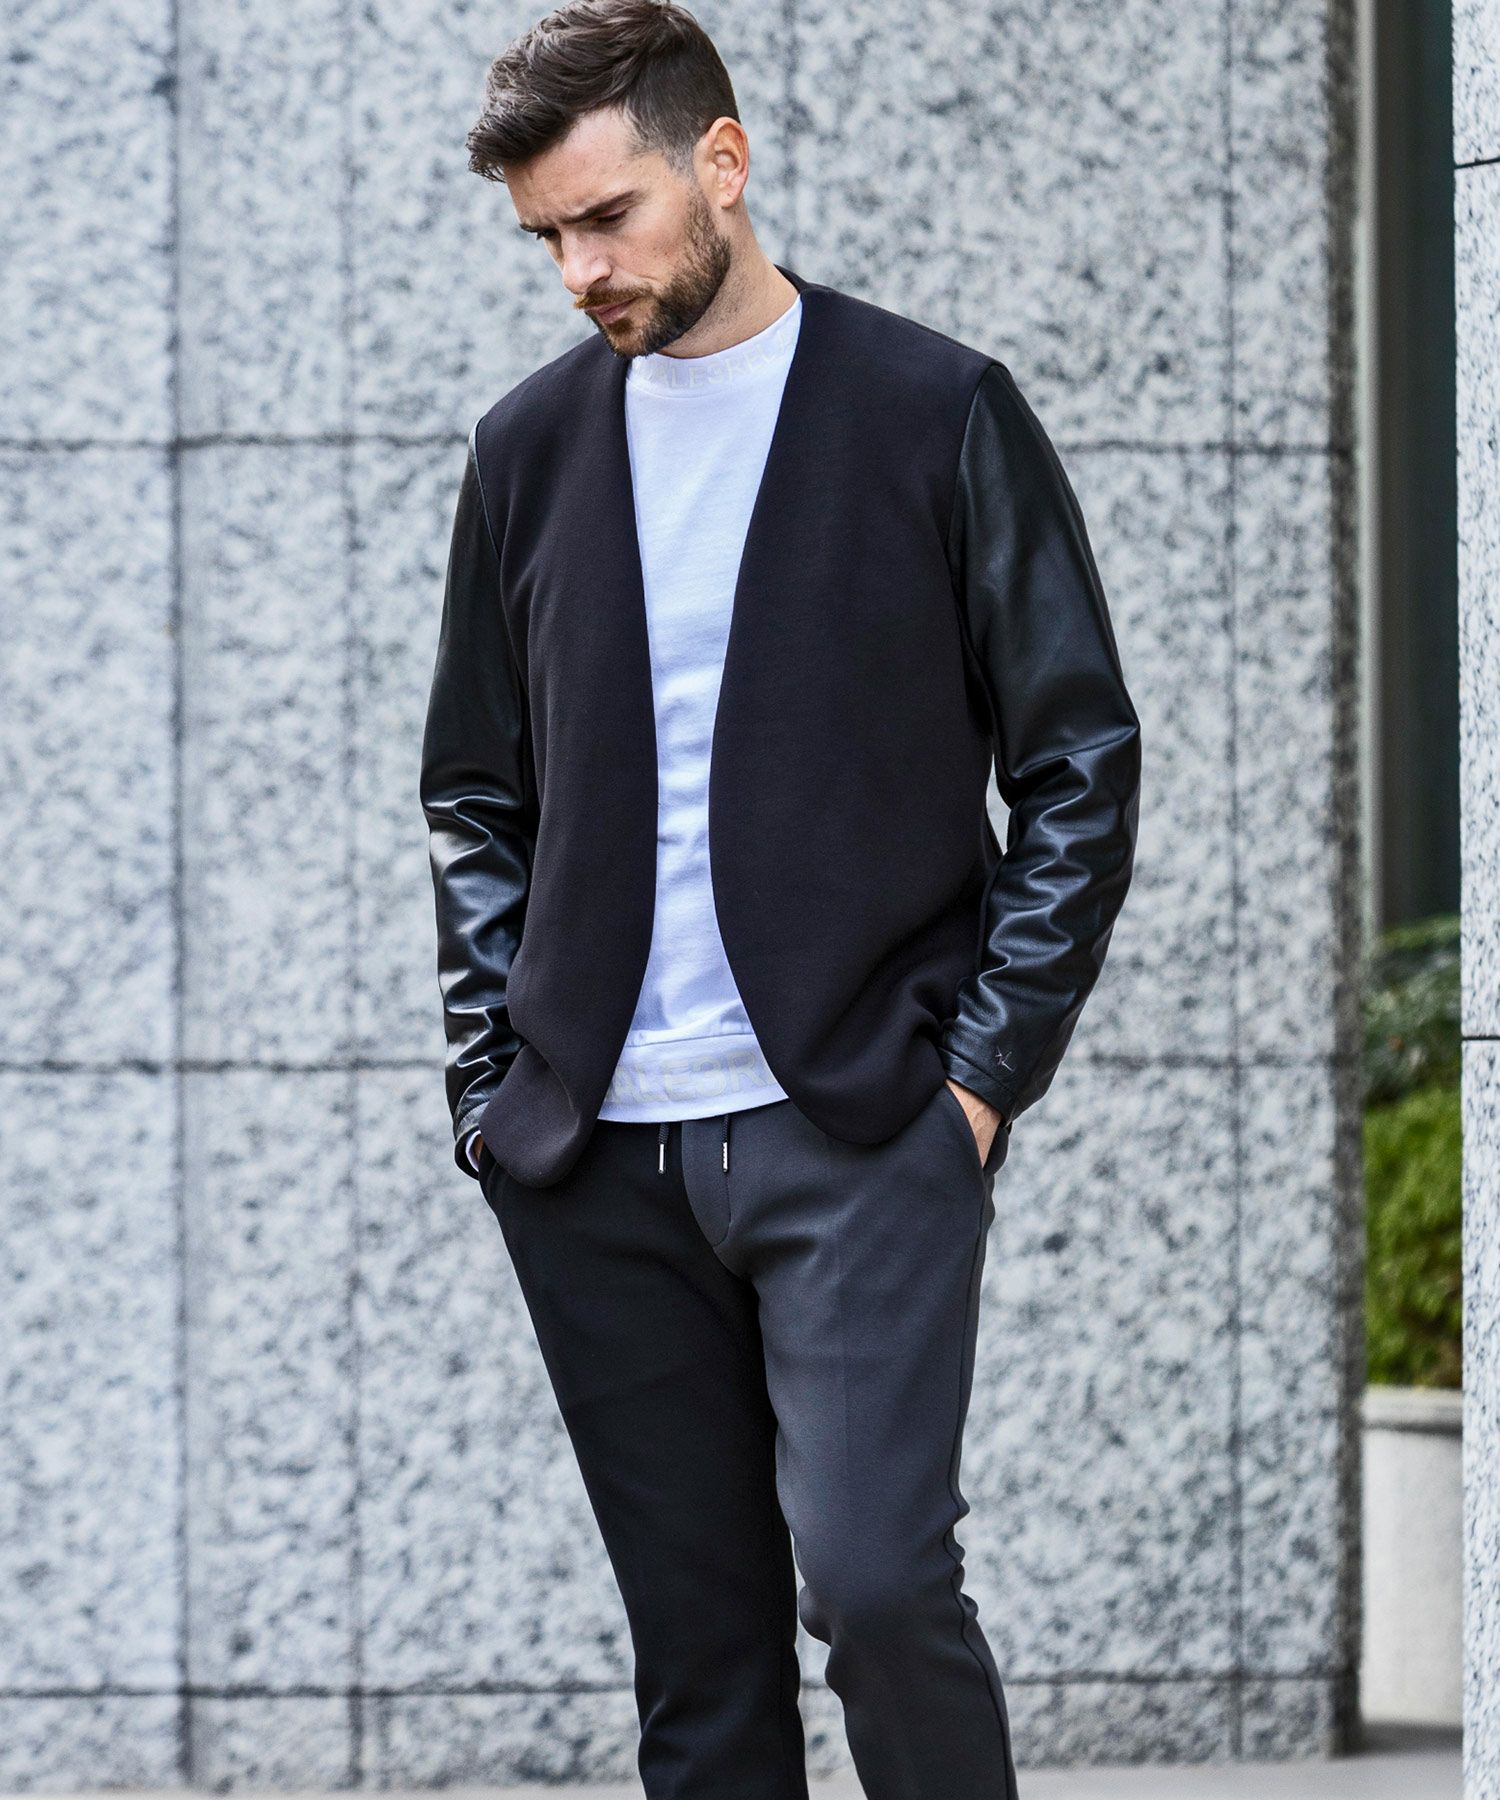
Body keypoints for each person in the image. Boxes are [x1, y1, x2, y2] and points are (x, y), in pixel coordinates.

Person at [419, 3, 1141, 1794]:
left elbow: (1077, 758)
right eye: (546, 236)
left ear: (721, 164)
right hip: (598, 1153)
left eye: (608, 217)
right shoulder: (526, 450)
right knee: (704, 1673)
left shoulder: (935, 410)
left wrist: (980, 1080)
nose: (580, 269)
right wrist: (492, 1087)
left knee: (880, 1593)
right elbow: (476, 794)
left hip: (865, 1123)